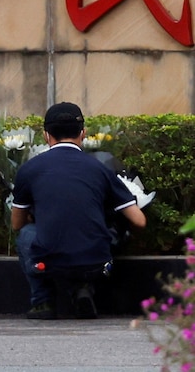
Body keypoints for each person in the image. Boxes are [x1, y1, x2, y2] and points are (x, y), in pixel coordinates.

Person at [11, 102, 147, 320]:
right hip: (98, 265)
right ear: (83, 133)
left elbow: (17, 223)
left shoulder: (30, 169)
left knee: (27, 234)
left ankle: (42, 302)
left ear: (46, 135)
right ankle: (82, 288)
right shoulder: (101, 168)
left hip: (47, 264)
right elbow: (139, 221)